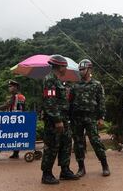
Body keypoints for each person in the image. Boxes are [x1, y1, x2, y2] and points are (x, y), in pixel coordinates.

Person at [41, 55, 79, 184]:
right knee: (52, 146)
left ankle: (65, 170)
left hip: (63, 119)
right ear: (59, 66)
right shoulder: (49, 80)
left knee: (66, 143)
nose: (66, 68)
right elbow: (49, 102)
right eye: (65, 66)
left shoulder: (58, 80)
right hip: (54, 120)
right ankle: (46, 174)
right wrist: (57, 120)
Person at [69, 59, 110, 177]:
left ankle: (105, 165)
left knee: (95, 141)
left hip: (91, 118)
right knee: (78, 143)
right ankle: (81, 168)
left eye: (83, 69)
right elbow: (70, 103)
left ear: (89, 69)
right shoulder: (75, 86)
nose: (81, 72)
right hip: (77, 118)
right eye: (80, 70)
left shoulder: (97, 85)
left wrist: (101, 117)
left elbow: (101, 102)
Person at [0, 80, 26, 160]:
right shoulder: (22, 96)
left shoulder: (14, 96)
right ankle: (15, 153)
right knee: (16, 136)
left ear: (15, 87)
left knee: (3, 136)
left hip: (12, 120)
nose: (9, 88)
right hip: (20, 120)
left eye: (10, 86)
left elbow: (6, 105)